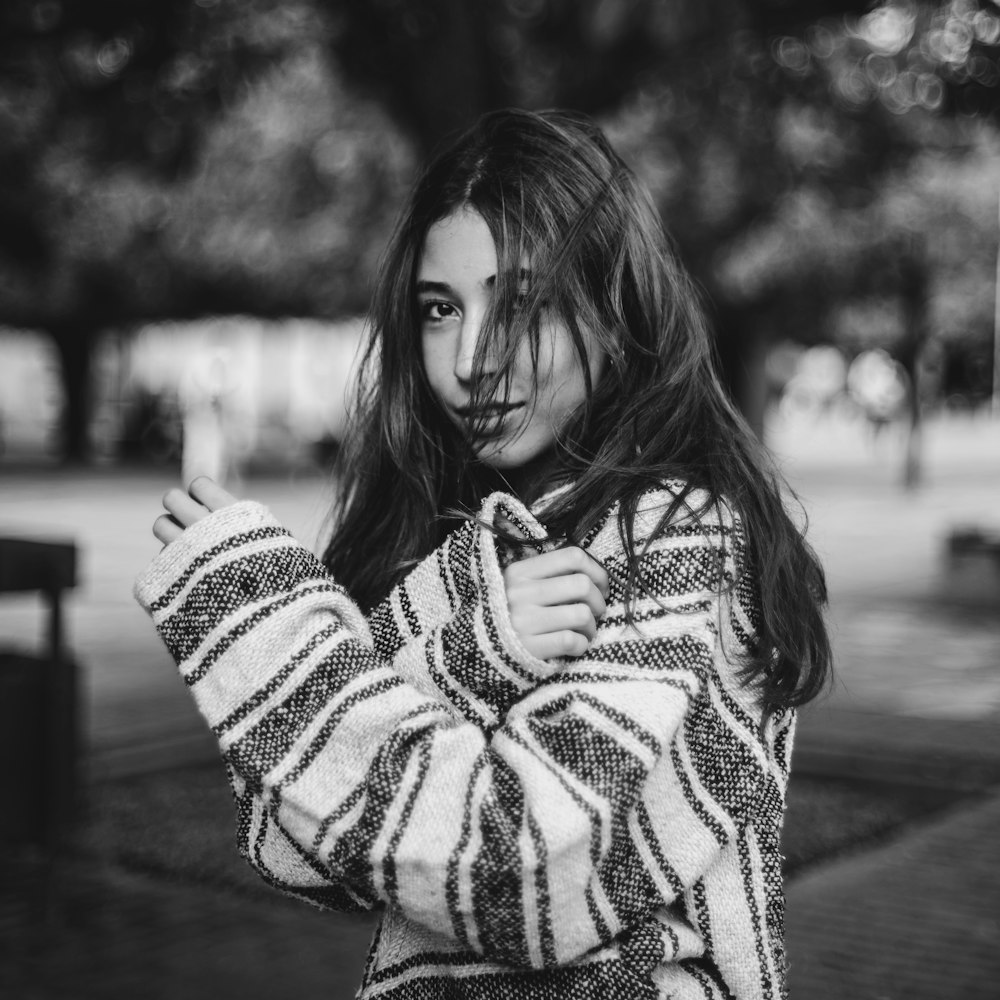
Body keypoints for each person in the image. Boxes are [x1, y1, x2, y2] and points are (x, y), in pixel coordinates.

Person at [135, 109, 830, 1000]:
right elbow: (293, 841)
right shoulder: (474, 541)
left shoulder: (679, 532)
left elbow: (516, 879)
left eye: (524, 302)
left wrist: (264, 627)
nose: (470, 357)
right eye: (440, 309)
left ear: (618, 313)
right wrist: (471, 652)